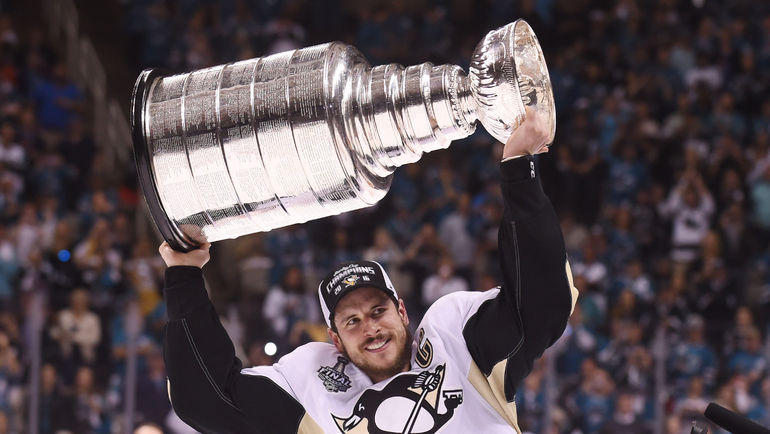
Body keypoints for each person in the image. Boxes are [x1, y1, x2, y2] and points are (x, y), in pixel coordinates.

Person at [158, 112, 578, 433]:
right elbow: (206, 399)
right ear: (336, 340)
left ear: (402, 311)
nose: (371, 328)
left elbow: (543, 301)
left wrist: (519, 171)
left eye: (378, 311)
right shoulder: (313, 390)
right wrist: (183, 275)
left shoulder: (457, 343)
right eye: (352, 321)